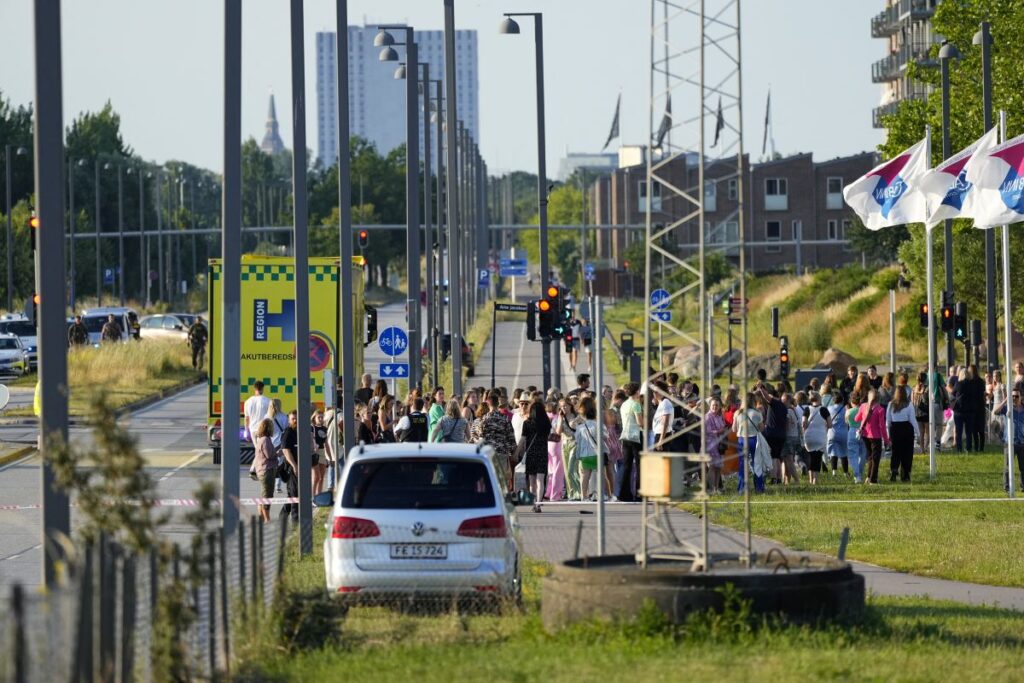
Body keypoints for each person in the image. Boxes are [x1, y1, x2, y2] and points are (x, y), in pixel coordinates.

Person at [480, 393, 517, 491]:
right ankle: (502, 498)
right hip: (501, 452)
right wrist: (512, 450)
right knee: (502, 479)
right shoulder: (504, 418)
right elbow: (510, 436)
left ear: (488, 404)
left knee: (490, 476)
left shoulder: (484, 419)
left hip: (488, 452)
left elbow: (481, 436)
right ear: (498, 404)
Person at [521, 399, 552, 512]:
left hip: (531, 454)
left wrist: (516, 452)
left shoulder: (527, 423)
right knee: (541, 480)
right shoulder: (546, 423)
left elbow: (523, 440)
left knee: (532, 482)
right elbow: (547, 436)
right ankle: (539, 503)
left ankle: (534, 503)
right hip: (542, 453)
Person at [886, 385, 919, 482]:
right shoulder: (909, 404)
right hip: (906, 429)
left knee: (896, 452)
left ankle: (894, 469)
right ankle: (906, 475)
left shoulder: (891, 404)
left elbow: (888, 421)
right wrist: (918, 433)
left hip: (895, 429)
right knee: (907, 453)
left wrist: (888, 435)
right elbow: (913, 420)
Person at [732, 393, 764, 493]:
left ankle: (742, 488)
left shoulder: (737, 413)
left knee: (742, 465)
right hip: (754, 440)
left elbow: (734, 429)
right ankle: (759, 488)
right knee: (757, 464)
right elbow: (761, 428)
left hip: (742, 440)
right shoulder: (757, 413)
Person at [993, 389, 1024, 493]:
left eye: (1016, 396)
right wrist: (1005, 400)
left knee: (1023, 467)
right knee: (1008, 467)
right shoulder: (1007, 408)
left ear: (1021, 397)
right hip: (1010, 442)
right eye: (1013, 396)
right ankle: (1007, 487)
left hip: (1022, 442)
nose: (1014, 398)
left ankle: (1023, 486)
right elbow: (996, 412)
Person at [757, 384, 788, 485]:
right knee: (778, 457)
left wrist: (761, 389)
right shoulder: (784, 407)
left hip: (772, 434)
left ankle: (774, 478)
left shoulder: (775, 403)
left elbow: (766, 397)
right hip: (782, 435)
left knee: (774, 457)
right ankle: (779, 478)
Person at [856, 389, 889, 485]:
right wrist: (886, 440)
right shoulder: (880, 409)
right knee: (875, 459)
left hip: (865, 435)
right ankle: (873, 480)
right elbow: (882, 426)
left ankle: (868, 477)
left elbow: (856, 418)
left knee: (870, 457)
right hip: (876, 436)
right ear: (879, 399)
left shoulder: (863, 406)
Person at [618, 383, 643, 502]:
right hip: (636, 436)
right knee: (639, 466)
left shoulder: (624, 404)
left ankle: (623, 493)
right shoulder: (636, 405)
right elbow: (640, 422)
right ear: (637, 392)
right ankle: (639, 493)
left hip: (625, 436)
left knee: (627, 466)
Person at [574, 396, 601, 500]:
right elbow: (605, 436)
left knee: (585, 476)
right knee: (596, 474)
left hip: (584, 454)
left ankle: (583, 495)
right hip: (596, 453)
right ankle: (595, 494)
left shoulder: (580, 428)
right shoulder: (598, 425)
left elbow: (577, 440)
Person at [801, 392, 832, 485]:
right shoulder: (824, 410)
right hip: (820, 436)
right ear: (819, 399)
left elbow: (803, 424)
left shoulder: (806, 409)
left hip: (809, 437)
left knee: (810, 457)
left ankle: (811, 479)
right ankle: (815, 479)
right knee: (817, 458)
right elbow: (830, 425)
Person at [251, 418, 277, 522]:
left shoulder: (261, 439)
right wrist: (277, 453)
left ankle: (261, 516)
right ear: (268, 428)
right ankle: (267, 518)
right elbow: (269, 455)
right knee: (267, 495)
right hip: (267, 470)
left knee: (263, 494)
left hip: (261, 469)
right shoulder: (265, 440)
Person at [279, 411, 299, 521]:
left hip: (301, 467)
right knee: (295, 495)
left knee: (292, 495)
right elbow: (286, 451)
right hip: (292, 468)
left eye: (297, 418)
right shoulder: (288, 432)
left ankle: (282, 518)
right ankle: (296, 522)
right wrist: (295, 466)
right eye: (293, 419)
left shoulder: (300, 431)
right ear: (289, 420)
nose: (295, 420)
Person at [704, 397, 728, 493]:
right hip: (710, 445)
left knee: (718, 467)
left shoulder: (719, 416)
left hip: (719, 444)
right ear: (710, 406)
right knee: (713, 467)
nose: (715, 407)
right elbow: (708, 431)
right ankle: (711, 488)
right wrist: (720, 431)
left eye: (717, 405)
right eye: (713, 405)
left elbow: (724, 427)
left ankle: (716, 487)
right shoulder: (707, 417)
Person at [827, 390, 849, 477]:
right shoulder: (845, 409)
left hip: (832, 433)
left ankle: (834, 472)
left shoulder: (829, 408)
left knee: (833, 452)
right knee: (843, 453)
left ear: (833, 400)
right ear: (842, 400)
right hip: (843, 433)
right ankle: (846, 473)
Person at [846, 392, 865, 484]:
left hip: (852, 431)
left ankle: (857, 475)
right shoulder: (863, 410)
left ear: (851, 401)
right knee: (862, 454)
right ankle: (860, 472)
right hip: (863, 431)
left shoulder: (848, 411)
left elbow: (846, 422)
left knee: (853, 455)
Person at [311, 410, 328, 496]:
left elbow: (326, 443)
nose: (321, 419)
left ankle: (319, 495)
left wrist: (329, 456)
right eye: (319, 417)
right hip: (314, 452)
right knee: (316, 477)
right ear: (314, 418)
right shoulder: (312, 428)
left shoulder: (325, 428)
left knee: (321, 477)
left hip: (322, 451)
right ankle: (313, 496)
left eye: (322, 417)